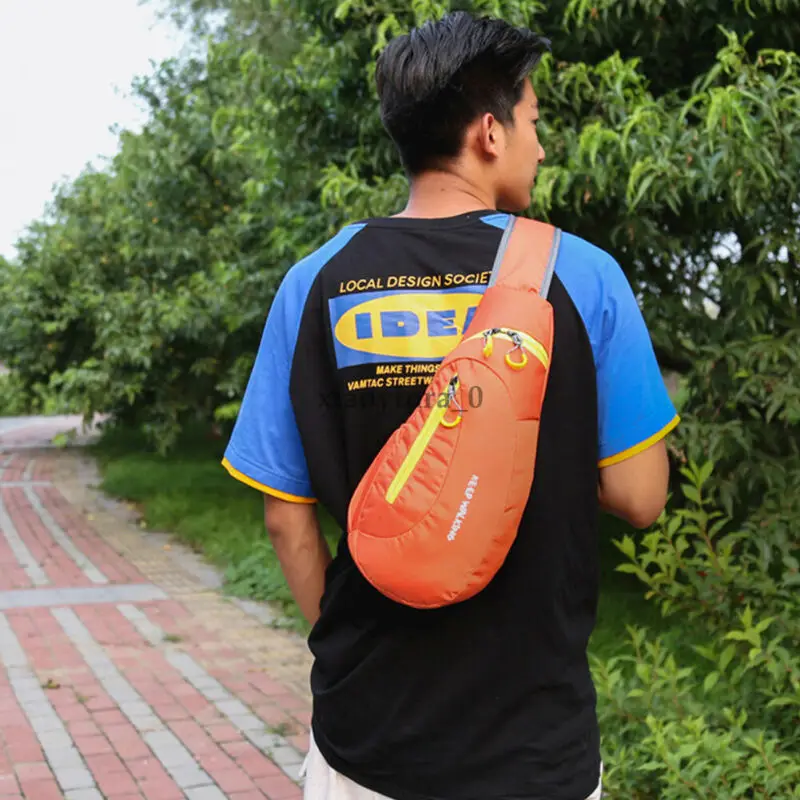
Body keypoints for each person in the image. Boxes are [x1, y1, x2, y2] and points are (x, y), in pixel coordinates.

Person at [221, 10, 679, 800]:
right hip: (534, 743)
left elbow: (284, 519)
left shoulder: (315, 280)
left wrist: (350, 649)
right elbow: (641, 496)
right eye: (533, 121)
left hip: (369, 737)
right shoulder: (583, 276)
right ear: (489, 133)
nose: (541, 147)